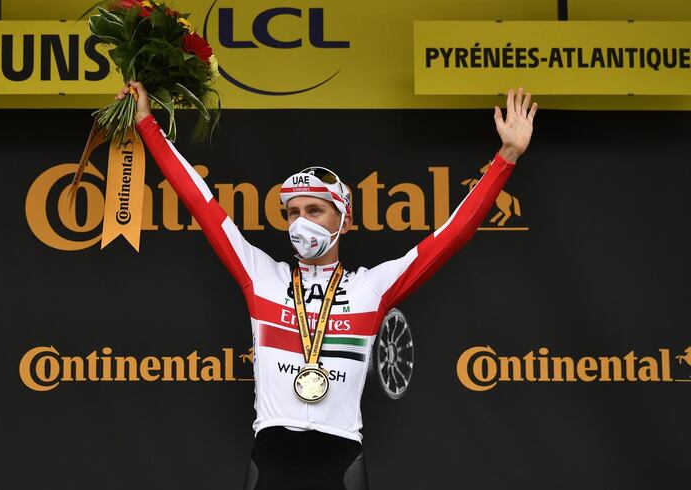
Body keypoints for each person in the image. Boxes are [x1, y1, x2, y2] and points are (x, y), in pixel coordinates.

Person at [118, 82, 537, 489]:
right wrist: (147, 124)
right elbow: (200, 202)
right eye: (292, 212)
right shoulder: (262, 277)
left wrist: (507, 156)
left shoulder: (370, 288)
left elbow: (452, 235)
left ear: (345, 219)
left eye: (315, 210)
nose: (301, 222)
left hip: (341, 459)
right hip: (271, 456)